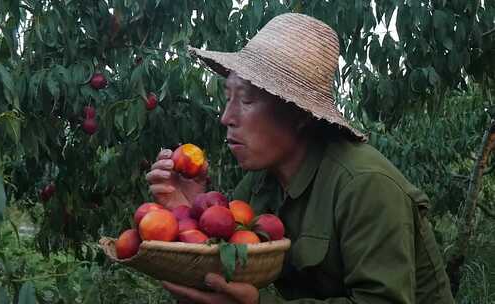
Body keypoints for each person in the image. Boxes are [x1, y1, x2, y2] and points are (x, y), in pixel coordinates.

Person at [145, 13, 455, 304]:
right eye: (228, 98)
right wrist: (188, 210)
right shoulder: (261, 182)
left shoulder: (364, 184)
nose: (226, 117)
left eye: (247, 99)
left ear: (299, 114)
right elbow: (224, 264)